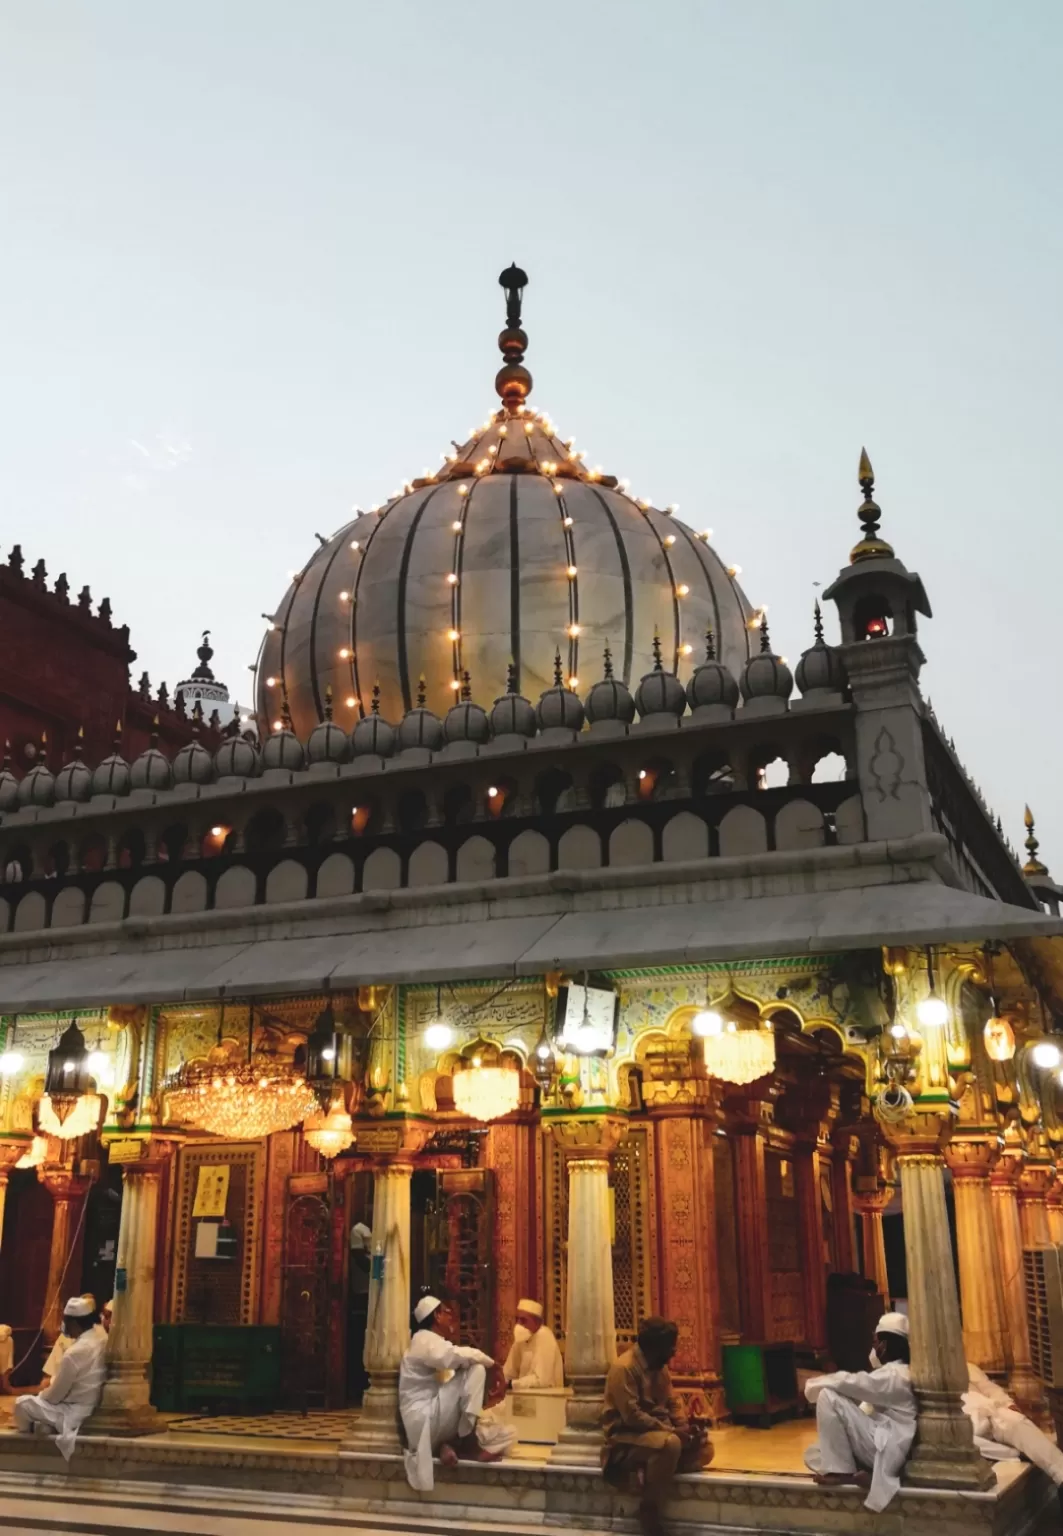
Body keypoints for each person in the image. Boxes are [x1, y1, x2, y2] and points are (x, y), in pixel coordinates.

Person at [602, 1316, 713, 1536]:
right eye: (671, 1346)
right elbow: (632, 1417)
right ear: (655, 1347)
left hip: (657, 1435)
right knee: (670, 1445)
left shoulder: (659, 1366)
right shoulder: (624, 1368)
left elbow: (672, 1402)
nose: (674, 1351)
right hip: (626, 1437)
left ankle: (650, 1469)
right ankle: (649, 1506)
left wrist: (686, 1430)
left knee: (706, 1449)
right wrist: (672, 1432)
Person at [804, 1312, 916, 1512]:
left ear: (885, 1345)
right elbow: (865, 1403)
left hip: (886, 1448)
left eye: (875, 1342)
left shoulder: (896, 1376)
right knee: (814, 1452)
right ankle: (864, 1473)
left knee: (828, 1396)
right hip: (880, 1442)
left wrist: (814, 1384)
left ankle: (842, 1472)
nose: (873, 1349)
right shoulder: (896, 1372)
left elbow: (854, 1383)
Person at [398, 1294, 502, 1491]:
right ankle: (467, 1444)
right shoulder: (425, 1340)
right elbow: (452, 1356)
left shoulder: (426, 1341)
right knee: (476, 1369)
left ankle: (446, 1445)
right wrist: (494, 1365)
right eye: (446, 1313)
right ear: (436, 1316)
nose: (451, 1318)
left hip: (425, 1420)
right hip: (424, 1420)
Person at [13, 1296, 108, 1459]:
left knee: (23, 1404)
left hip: (73, 1412)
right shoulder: (102, 1338)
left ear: (74, 1324)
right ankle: (45, 1425)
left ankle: (26, 1447)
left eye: (66, 1321)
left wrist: (41, 1395)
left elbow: (55, 1396)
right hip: (90, 1406)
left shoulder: (75, 1352)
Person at [964, 1362, 1063, 1513]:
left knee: (1016, 1422)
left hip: (994, 1414)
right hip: (966, 1425)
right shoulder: (918, 1375)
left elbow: (991, 1389)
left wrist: (1008, 1404)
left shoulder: (966, 1366)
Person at [502, 1298, 564, 1390]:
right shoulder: (521, 1338)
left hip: (547, 1398)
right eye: (517, 1319)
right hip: (524, 1396)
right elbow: (509, 1372)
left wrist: (512, 1384)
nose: (518, 1324)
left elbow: (541, 1380)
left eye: (523, 1320)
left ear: (537, 1323)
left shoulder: (544, 1335)